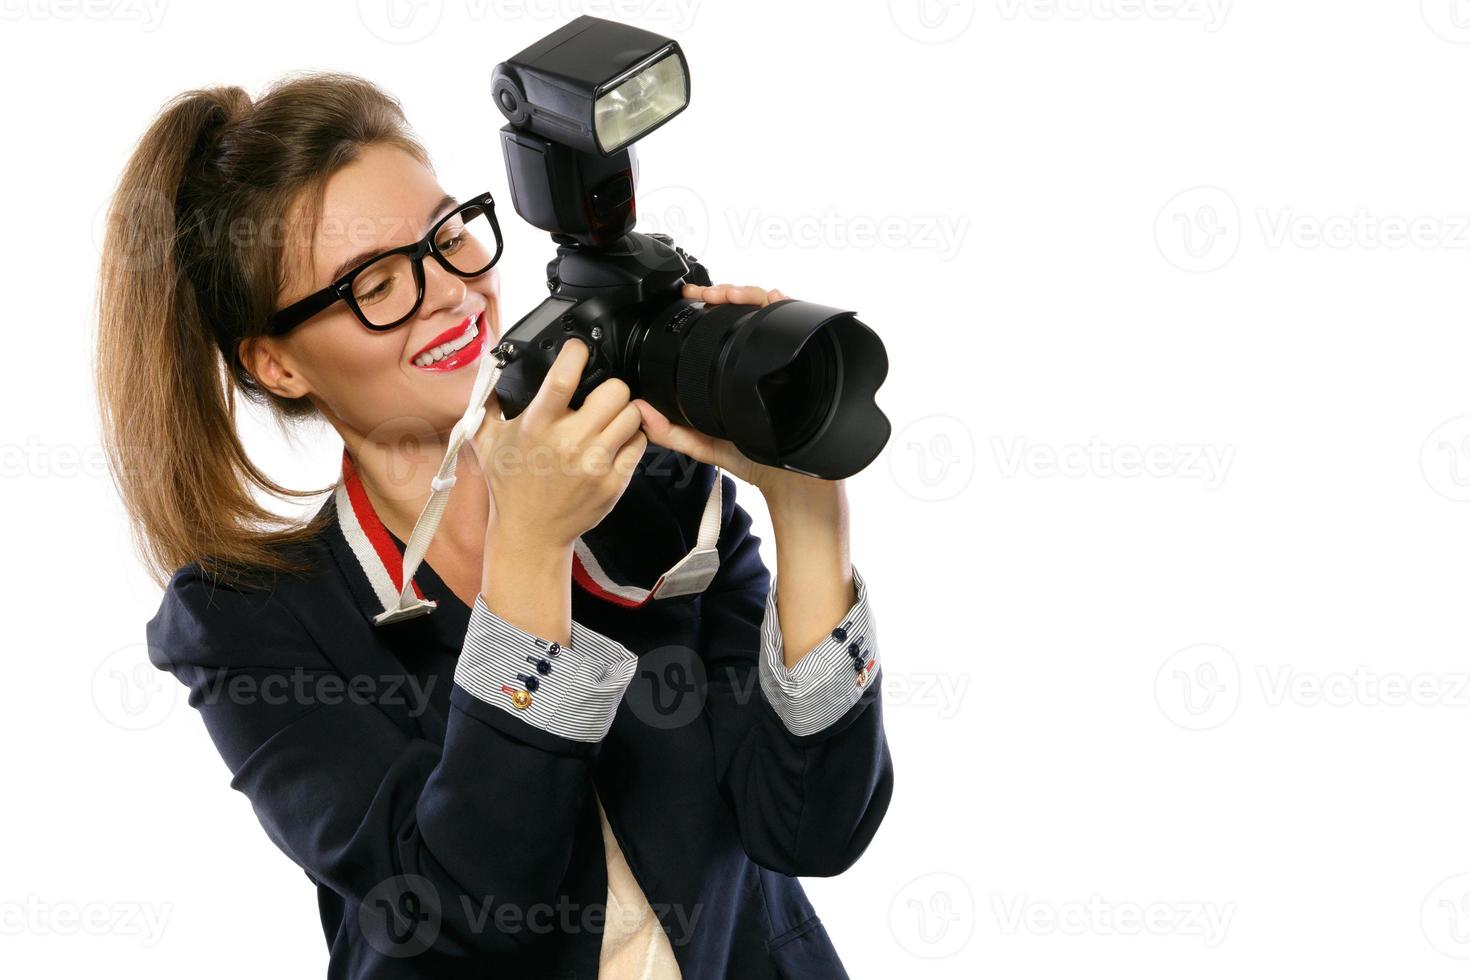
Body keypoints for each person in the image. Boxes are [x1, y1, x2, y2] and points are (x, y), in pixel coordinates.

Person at [95, 70, 893, 979]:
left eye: (448, 238)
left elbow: (812, 827)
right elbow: (461, 909)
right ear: (276, 364)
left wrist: (805, 502)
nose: (447, 292)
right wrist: (530, 547)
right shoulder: (248, 619)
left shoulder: (652, 491)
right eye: (375, 283)